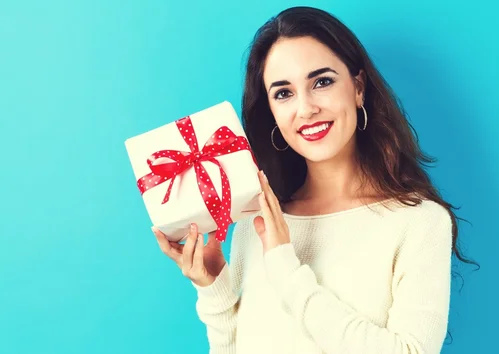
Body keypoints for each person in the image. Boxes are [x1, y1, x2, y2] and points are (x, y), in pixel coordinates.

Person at [152, 6, 476, 354]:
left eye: (322, 82)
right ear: (272, 112)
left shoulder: (418, 222)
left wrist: (285, 268)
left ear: (358, 87)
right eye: (284, 93)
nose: (305, 108)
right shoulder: (258, 220)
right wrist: (214, 286)